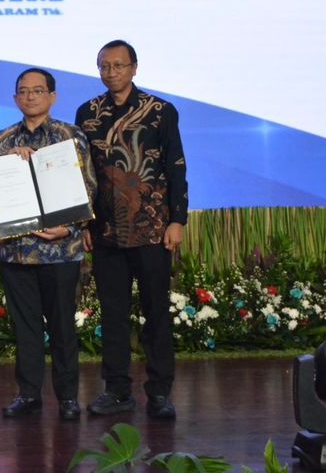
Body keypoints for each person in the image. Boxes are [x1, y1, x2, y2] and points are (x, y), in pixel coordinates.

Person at [0, 67, 96, 421]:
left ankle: (69, 398)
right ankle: (28, 395)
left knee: (62, 328)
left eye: (38, 91)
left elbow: (88, 189)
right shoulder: (3, 140)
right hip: (17, 250)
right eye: (23, 92)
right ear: (15, 98)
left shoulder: (70, 137)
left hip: (61, 251)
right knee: (25, 330)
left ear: (52, 97)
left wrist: (69, 228)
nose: (30, 97)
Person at [76, 40, 188, 421]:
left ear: (134, 68)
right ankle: (117, 390)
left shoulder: (160, 111)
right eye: (104, 66)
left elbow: (176, 166)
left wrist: (178, 219)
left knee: (156, 312)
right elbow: (81, 174)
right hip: (105, 231)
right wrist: (84, 223)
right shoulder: (87, 112)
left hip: (153, 229)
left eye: (119, 65)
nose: (111, 72)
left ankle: (159, 392)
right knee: (113, 314)